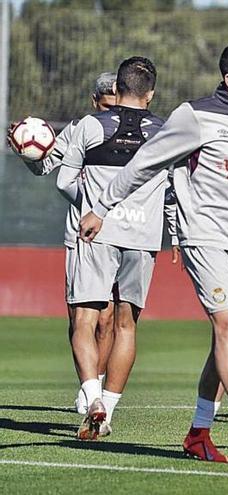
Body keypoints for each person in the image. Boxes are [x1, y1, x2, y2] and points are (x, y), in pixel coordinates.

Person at [79, 42, 228, 462]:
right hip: (204, 239)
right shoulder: (194, 116)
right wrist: (101, 207)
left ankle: (199, 432)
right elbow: (144, 164)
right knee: (227, 328)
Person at [58, 57, 167, 440]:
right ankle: (110, 409)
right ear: (151, 94)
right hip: (144, 238)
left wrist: (90, 206)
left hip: (96, 234)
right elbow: (175, 189)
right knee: (126, 325)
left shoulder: (90, 125)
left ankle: (92, 401)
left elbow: (63, 181)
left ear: (116, 89)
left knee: (84, 321)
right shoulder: (166, 132)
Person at [7, 73, 119, 416]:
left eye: (115, 106)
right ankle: (89, 389)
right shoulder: (80, 129)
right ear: (93, 102)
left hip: (124, 231)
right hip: (83, 232)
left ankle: (94, 390)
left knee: (108, 319)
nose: (109, 114)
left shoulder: (139, 129)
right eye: (104, 106)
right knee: (81, 316)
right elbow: (44, 167)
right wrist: (26, 152)